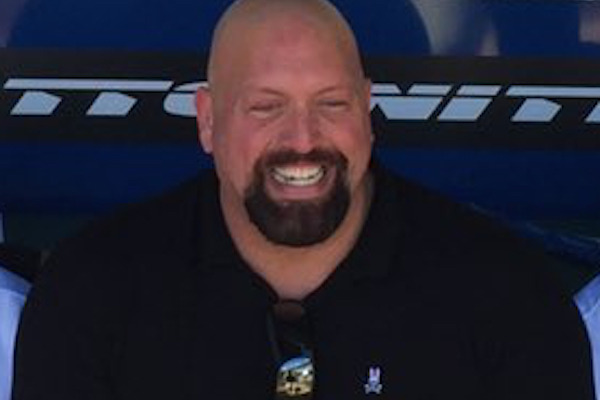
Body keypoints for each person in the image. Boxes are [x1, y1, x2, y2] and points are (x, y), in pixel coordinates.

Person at [12, 0, 594, 399]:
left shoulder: (505, 295)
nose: (302, 139)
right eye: (265, 107)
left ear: (367, 111)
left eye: (332, 103)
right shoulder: (94, 292)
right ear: (208, 120)